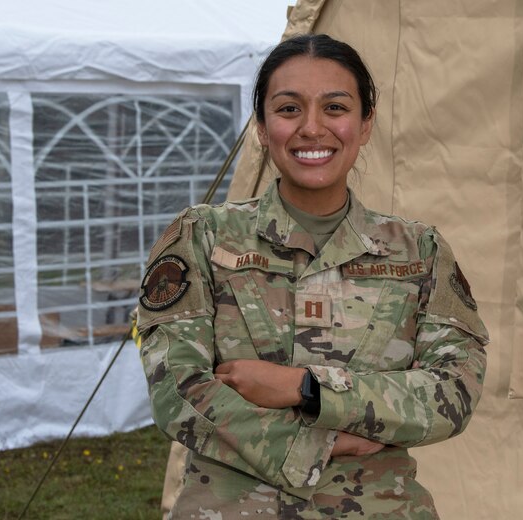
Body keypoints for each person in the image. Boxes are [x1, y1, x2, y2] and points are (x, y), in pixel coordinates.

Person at [136, 34, 488, 519]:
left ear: (365, 124)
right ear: (261, 126)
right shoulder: (203, 238)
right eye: (288, 109)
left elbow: (454, 392)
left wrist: (306, 388)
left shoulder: (419, 251)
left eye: (335, 107)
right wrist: (318, 446)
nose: (312, 128)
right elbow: (177, 389)